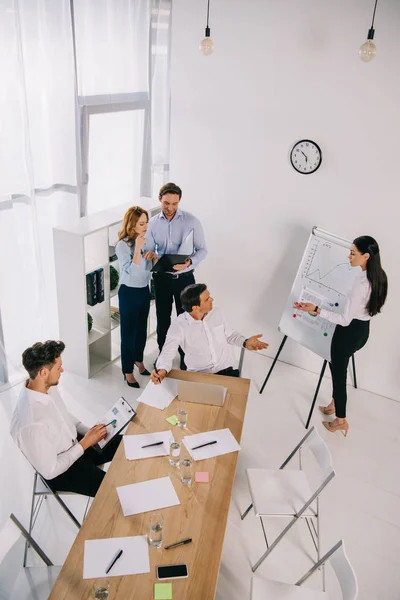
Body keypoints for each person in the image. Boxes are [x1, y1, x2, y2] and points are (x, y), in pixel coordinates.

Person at [294, 236, 388, 436]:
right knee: (336, 365)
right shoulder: (379, 276)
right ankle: (335, 403)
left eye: (353, 253)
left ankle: (341, 420)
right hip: (362, 331)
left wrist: (317, 309)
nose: (349, 256)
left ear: (366, 257)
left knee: (338, 374)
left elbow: (344, 320)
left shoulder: (361, 285)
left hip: (348, 332)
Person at [10, 341, 122, 497]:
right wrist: (85, 443)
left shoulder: (47, 387)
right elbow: (51, 470)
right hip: (62, 471)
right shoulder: (31, 423)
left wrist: (90, 432)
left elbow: (65, 416)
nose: (62, 370)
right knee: (114, 492)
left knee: (123, 443)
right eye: (58, 367)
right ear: (43, 372)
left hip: (74, 444)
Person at [150, 283, 269, 383]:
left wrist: (245, 342)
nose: (212, 300)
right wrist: (162, 369)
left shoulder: (218, 313)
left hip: (227, 372)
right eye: (207, 299)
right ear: (195, 307)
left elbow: (230, 335)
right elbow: (167, 352)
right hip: (199, 377)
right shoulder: (179, 325)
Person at [145, 183, 207, 368]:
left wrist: (189, 262)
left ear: (179, 201)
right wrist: (152, 255)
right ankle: (163, 358)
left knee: (187, 319)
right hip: (162, 279)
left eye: (174, 203)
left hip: (185, 280)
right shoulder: (153, 223)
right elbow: (149, 248)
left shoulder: (191, 221)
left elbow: (202, 250)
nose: (170, 208)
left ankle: (186, 358)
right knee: (163, 319)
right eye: (166, 203)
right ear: (159, 199)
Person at [116, 206, 156, 388]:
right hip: (129, 292)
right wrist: (138, 250)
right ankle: (127, 371)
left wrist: (152, 256)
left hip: (143, 290)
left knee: (141, 330)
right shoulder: (122, 246)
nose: (145, 226)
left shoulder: (145, 241)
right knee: (128, 332)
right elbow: (131, 272)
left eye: (146, 222)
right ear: (132, 225)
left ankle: (138, 360)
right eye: (141, 223)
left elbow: (146, 271)